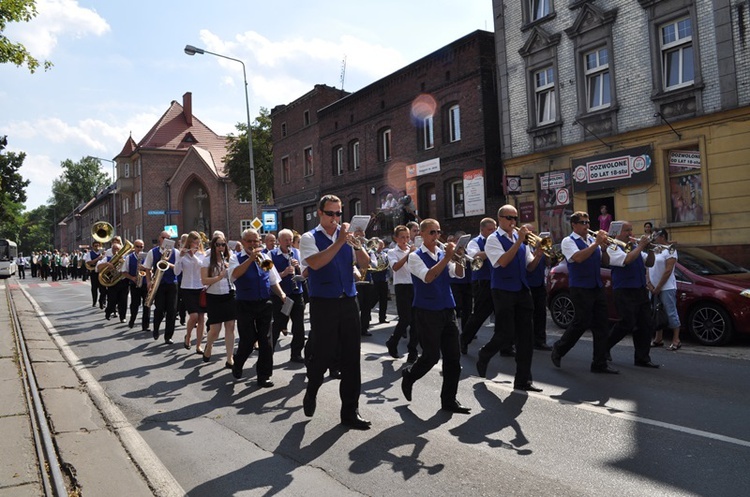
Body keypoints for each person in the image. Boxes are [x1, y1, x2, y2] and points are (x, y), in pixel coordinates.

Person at [299, 194, 372, 430]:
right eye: (330, 213)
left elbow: (365, 263)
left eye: (339, 213)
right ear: (320, 213)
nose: (335, 218)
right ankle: (312, 390)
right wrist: (340, 241)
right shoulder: (309, 238)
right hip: (324, 303)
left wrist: (357, 243)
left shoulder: (346, 237)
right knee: (323, 355)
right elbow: (316, 264)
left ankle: (350, 411)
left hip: (349, 300)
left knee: (352, 358)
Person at [400, 218, 471, 413]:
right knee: (431, 357)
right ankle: (410, 375)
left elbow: (458, 274)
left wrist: (460, 257)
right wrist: (447, 257)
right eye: (432, 233)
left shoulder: (441, 253)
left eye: (438, 232)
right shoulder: (415, 257)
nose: (436, 236)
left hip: (447, 309)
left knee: (453, 358)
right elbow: (428, 277)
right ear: (421, 235)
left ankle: (449, 400)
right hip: (426, 311)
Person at [475, 206, 540, 392]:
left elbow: (529, 267)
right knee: (506, 334)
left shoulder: (521, 240)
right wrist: (519, 241)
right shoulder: (493, 239)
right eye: (509, 218)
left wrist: (539, 254)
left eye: (515, 218)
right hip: (502, 291)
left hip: (521, 290)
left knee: (526, 337)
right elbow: (502, 262)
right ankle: (485, 354)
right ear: (500, 218)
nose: (513, 222)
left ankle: (523, 379)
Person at [551, 212, 617, 374]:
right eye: (583, 222)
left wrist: (605, 248)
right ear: (574, 225)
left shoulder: (589, 240)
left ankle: (599, 363)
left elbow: (605, 262)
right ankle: (559, 349)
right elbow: (578, 258)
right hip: (580, 287)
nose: (587, 226)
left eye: (588, 222)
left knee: (602, 325)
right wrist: (596, 244)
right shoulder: (568, 241)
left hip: (596, 286)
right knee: (581, 323)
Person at [229, 229, 286, 387]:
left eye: (256, 241)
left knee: (266, 341)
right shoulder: (236, 258)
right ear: (243, 242)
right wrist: (250, 259)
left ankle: (264, 376)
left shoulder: (265, 258)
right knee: (247, 340)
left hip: (264, 303)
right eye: (249, 241)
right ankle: (238, 363)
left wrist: (281, 294)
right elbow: (234, 275)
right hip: (245, 303)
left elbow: (273, 279)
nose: (253, 244)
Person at [605, 222, 660, 368]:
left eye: (631, 229)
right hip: (624, 290)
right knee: (626, 323)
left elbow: (649, 263)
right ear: (617, 233)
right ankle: (604, 347)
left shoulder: (634, 246)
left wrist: (652, 250)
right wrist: (642, 246)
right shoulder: (612, 247)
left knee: (645, 324)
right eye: (626, 230)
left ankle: (642, 358)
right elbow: (626, 260)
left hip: (640, 289)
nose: (630, 233)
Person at [460, 218, 501, 354]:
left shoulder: (498, 239)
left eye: (495, 228)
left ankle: (505, 346)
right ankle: (464, 339)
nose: (493, 231)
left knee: (503, 314)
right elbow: (474, 256)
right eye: (490, 229)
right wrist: (492, 250)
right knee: (480, 314)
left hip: (498, 280)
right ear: (482, 229)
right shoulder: (475, 242)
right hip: (482, 281)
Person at [269, 228, 306, 363]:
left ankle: (296, 353)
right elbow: (267, 276)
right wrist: (283, 273)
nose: (289, 242)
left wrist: (298, 268)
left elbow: (304, 273)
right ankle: (268, 353)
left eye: (290, 239)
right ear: (279, 241)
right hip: (280, 296)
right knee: (277, 325)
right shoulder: (270, 255)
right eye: (286, 240)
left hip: (296, 293)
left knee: (299, 326)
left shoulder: (297, 253)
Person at [201, 234, 237, 367]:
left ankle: (229, 358)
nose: (221, 247)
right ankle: (209, 346)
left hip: (229, 294)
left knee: (230, 327)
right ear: (213, 246)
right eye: (218, 245)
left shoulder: (231, 259)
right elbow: (204, 280)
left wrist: (230, 269)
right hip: (214, 296)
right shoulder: (206, 261)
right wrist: (219, 276)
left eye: (223, 245)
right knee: (215, 330)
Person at [385, 225, 417, 361]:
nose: (406, 240)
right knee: (405, 319)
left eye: (408, 237)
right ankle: (393, 341)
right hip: (402, 286)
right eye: (402, 237)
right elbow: (395, 267)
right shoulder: (392, 252)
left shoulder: (414, 250)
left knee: (416, 320)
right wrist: (408, 255)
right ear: (396, 238)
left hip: (415, 286)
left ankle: (413, 350)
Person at [647, 229, 682, 351]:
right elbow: (648, 266)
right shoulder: (655, 249)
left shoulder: (670, 250)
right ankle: (658, 338)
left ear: (662, 237)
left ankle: (676, 339)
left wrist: (658, 287)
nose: (652, 237)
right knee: (656, 311)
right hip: (653, 287)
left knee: (670, 312)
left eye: (655, 235)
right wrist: (649, 284)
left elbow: (668, 270)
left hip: (666, 287)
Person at [174, 231, 207, 353]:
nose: (196, 245)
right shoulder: (182, 254)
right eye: (194, 242)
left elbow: (202, 266)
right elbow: (176, 272)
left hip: (201, 287)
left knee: (202, 318)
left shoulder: (203, 254)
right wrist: (180, 257)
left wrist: (193, 256)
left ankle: (198, 345)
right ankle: (188, 335)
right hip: (187, 287)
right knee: (193, 316)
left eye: (198, 243)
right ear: (189, 242)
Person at [144, 231, 178, 344]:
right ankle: (156, 329)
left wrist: (168, 263)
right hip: (158, 284)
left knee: (171, 310)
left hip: (172, 283)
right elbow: (147, 268)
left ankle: (168, 336)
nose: (166, 240)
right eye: (164, 238)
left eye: (169, 238)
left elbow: (178, 269)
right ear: (160, 238)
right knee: (159, 309)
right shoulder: (152, 252)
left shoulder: (175, 252)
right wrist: (148, 281)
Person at [524, 224, 552, 351]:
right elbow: (529, 267)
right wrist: (537, 252)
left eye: (535, 232)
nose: (534, 234)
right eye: (531, 232)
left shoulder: (540, 245)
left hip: (540, 283)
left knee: (541, 313)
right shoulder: (524, 246)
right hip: (527, 284)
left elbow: (548, 263)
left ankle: (540, 341)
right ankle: (527, 340)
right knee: (528, 315)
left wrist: (546, 253)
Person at [97, 238, 129, 323]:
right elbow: (98, 268)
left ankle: (123, 317)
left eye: (118, 249)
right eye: (115, 249)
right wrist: (106, 264)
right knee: (112, 301)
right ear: (112, 251)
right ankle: (108, 312)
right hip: (112, 283)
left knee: (123, 301)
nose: (117, 251)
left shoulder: (126, 258)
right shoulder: (108, 258)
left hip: (123, 282)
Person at [126, 240, 151, 332]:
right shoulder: (129, 257)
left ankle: (146, 325)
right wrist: (132, 278)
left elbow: (151, 270)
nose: (139, 249)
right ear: (134, 247)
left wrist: (146, 268)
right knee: (135, 304)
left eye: (141, 247)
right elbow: (124, 272)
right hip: (135, 284)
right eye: (137, 246)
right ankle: (132, 320)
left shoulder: (147, 256)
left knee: (147, 304)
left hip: (145, 283)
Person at [370, 239, 390, 324]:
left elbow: (387, 266)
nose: (381, 247)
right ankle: (367, 312)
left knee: (384, 299)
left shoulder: (385, 254)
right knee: (374, 298)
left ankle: (382, 317)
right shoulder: (372, 254)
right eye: (379, 245)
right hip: (375, 278)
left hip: (383, 279)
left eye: (382, 245)